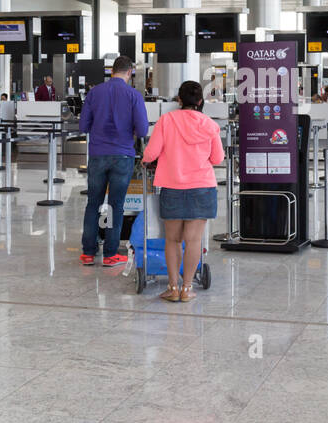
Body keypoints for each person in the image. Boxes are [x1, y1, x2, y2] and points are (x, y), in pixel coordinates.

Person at [142, 80, 224, 302]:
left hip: (172, 186)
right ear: (199, 101)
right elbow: (217, 158)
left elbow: (151, 153)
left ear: (179, 99)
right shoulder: (209, 124)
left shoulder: (166, 120)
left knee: (173, 240)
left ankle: (173, 287)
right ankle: (187, 288)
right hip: (202, 187)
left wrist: (145, 160)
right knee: (194, 241)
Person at [79, 56, 148, 267]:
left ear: (112, 71)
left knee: (93, 203)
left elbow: (83, 126)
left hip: (98, 154)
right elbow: (144, 130)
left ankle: (88, 253)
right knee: (116, 205)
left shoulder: (94, 92)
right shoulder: (133, 95)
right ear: (129, 73)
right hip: (123, 155)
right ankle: (110, 255)